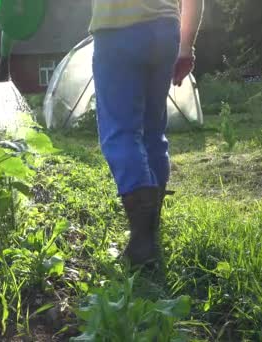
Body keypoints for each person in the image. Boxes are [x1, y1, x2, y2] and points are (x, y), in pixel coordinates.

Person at [90, 0, 204, 266]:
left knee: (120, 132)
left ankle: (142, 244)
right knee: (152, 132)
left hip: (116, 30)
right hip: (165, 30)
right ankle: (149, 230)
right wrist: (186, 46)